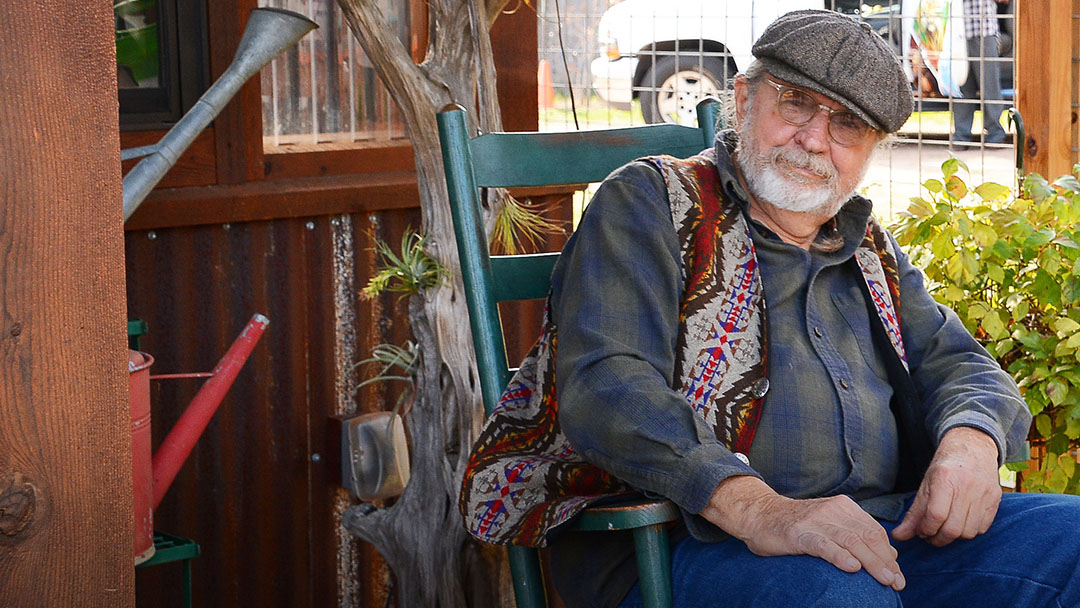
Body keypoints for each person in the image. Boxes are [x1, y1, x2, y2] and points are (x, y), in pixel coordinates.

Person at [460, 9, 1080, 607]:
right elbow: (606, 385)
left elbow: (962, 364)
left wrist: (971, 442)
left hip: (885, 533)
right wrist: (762, 510)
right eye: (795, 102)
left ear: (871, 151)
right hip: (687, 544)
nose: (814, 139)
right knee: (838, 596)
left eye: (848, 125)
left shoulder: (865, 246)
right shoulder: (650, 204)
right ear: (743, 97)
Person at [952, 0, 1010, 145]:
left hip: (984, 30)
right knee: (962, 85)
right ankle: (961, 136)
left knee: (989, 85)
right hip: (957, 32)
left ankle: (995, 134)